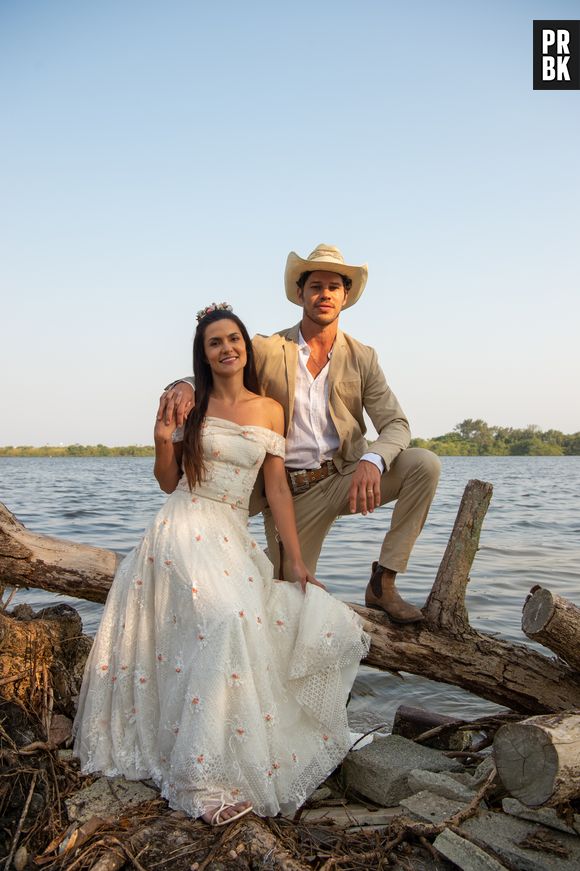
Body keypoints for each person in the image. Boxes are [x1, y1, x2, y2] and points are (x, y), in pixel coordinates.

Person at [73, 305, 369, 826]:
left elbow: (275, 486)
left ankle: (234, 752)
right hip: (183, 525)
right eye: (215, 342)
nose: (227, 348)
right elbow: (168, 481)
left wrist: (294, 561)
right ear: (203, 354)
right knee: (223, 621)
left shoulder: (271, 409)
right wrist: (164, 441)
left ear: (245, 348)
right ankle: (200, 776)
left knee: (264, 621)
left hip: (233, 531)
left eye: (234, 339)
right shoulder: (192, 403)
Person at [161, 245, 441, 624]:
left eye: (333, 287)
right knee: (288, 601)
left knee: (423, 464)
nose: (324, 294)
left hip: (345, 477)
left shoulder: (363, 357)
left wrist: (373, 460)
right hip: (287, 492)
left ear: (345, 296)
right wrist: (185, 384)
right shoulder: (268, 349)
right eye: (315, 286)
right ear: (300, 294)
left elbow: (397, 425)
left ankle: (384, 582)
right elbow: (223, 365)